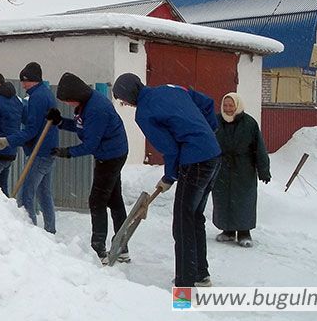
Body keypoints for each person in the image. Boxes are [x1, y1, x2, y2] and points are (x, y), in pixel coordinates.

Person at [112, 73, 221, 288]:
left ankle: (184, 286)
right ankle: (200, 274)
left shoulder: (144, 113)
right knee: (194, 217)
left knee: (182, 224)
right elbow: (208, 104)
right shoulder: (172, 88)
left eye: (122, 99)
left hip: (196, 161)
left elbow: (170, 149)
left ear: (129, 95)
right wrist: (207, 133)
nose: (124, 104)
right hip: (214, 155)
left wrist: (170, 176)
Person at [45, 72, 129, 265]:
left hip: (110, 156)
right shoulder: (86, 104)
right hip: (110, 152)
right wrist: (60, 122)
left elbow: (90, 143)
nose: (67, 105)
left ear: (76, 97)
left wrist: (66, 152)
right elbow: (82, 127)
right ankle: (122, 248)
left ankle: (98, 251)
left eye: (68, 102)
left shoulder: (96, 109)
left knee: (97, 201)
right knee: (114, 200)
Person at [0, 62, 59, 233]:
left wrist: (8, 140)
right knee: (44, 194)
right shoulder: (45, 93)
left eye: (25, 81)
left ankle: (28, 235)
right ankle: (50, 231)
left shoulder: (38, 97)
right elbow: (34, 121)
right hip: (48, 150)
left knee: (25, 195)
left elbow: (31, 130)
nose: (22, 84)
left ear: (34, 80)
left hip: (40, 152)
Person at [212, 92, 270, 248]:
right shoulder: (216, 121)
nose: (228, 108)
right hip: (222, 167)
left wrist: (264, 169)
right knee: (223, 199)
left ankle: (244, 232)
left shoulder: (249, 123)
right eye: (225, 105)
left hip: (244, 168)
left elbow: (259, 148)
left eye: (231, 105)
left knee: (244, 200)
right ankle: (228, 231)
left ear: (237, 106)